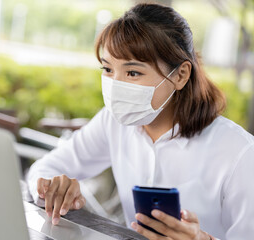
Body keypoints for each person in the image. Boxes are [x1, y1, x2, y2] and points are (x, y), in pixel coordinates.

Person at [26, 3, 254, 240]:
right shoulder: (113, 122)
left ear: (180, 75)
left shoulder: (240, 153)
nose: (116, 85)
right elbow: (43, 169)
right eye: (107, 69)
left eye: (133, 73)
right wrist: (51, 187)